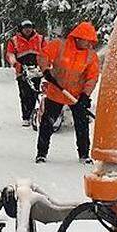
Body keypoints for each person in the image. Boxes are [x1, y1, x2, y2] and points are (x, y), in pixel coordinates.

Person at [35, 21, 100, 165]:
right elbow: (42, 55)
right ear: (78, 37)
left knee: (82, 125)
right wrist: (46, 70)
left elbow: (92, 77)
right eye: (87, 40)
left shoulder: (91, 56)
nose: (89, 44)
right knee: (47, 123)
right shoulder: (60, 45)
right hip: (56, 92)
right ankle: (41, 153)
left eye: (91, 41)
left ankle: (84, 154)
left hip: (76, 96)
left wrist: (85, 95)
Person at [5, 20, 45, 126]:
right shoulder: (14, 40)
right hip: (22, 71)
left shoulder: (40, 39)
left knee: (37, 93)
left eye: (30, 27)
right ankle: (26, 116)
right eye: (25, 28)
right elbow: (10, 54)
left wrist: (46, 65)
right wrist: (15, 64)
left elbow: (46, 52)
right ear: (21, 29)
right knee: (25, 94)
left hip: (38, 71)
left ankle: (37, 113)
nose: (28, 30)